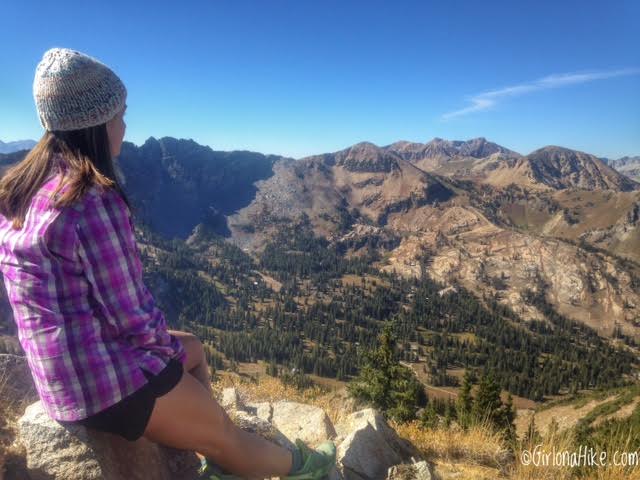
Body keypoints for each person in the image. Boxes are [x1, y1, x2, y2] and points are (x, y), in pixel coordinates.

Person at [0, 47, 335, 480]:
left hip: (57, 375)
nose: (125, 125)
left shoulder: (20, 191)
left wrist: (177, 358)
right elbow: (131, 315)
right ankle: (301, 466)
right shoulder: (88, 199)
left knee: (191, 345)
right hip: (101, 384)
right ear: (97, 123)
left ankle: (206, 443)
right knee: (227, 433)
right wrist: (167, 364)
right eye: (120, 114)